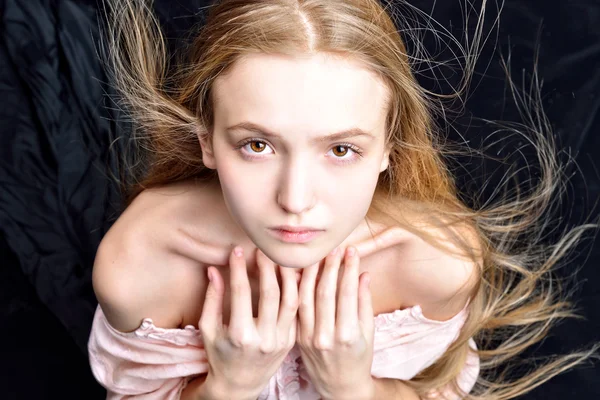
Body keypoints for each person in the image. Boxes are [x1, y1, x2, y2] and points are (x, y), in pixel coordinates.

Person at [88, 0, 598, 399]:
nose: (296, 199)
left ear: (388, 150)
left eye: (340, 148)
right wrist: (227, 388)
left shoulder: (434, 260)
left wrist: (355, 389)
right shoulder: (139, 264)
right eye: (257, 145)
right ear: (207, 142)